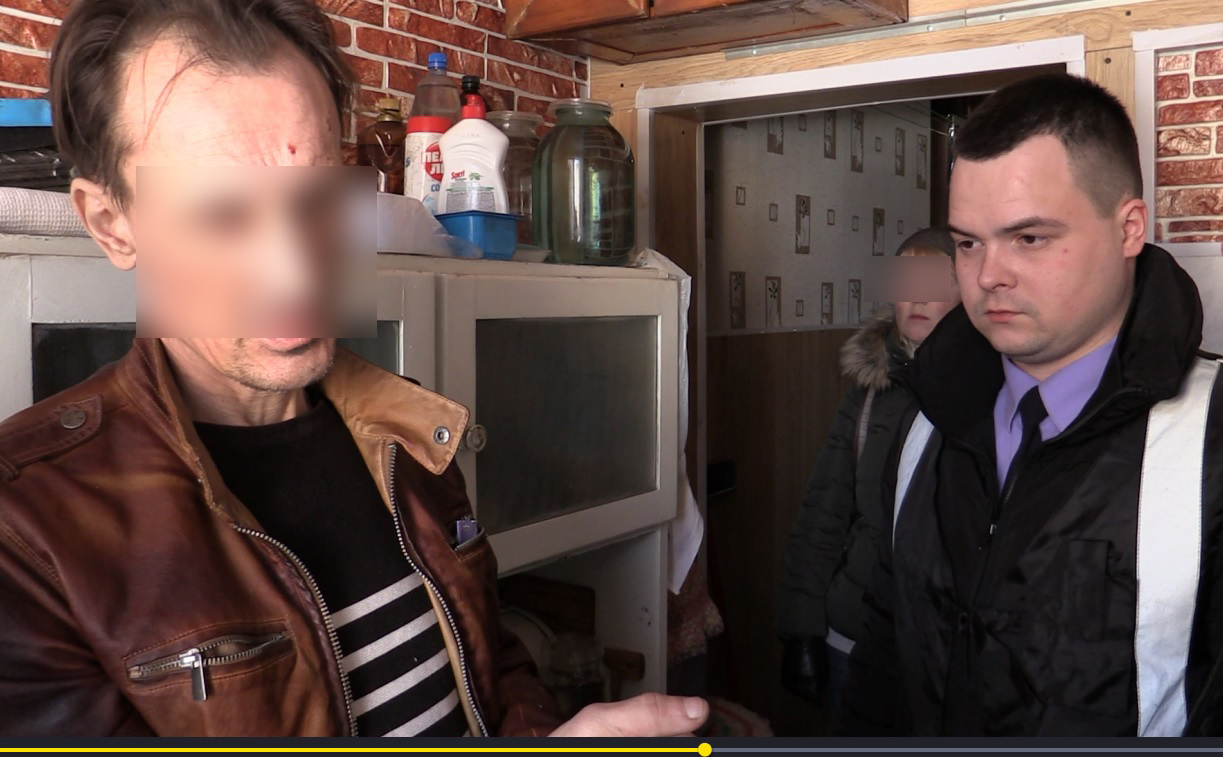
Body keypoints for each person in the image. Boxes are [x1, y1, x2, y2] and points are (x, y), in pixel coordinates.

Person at [0, 0, 708, 738]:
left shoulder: (407, 432)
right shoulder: (27, 532)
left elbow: (492, 666)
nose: (297, 275)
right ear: (112, 224)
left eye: (317, 200)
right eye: (224, 218)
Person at [837, 72, 1223, 736]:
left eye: (1030, 238)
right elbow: (887, 646)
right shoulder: (925, 416)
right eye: (967, 243)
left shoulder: (1210, 438)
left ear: (1129, 228)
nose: (988, 276)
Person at [778, 228, 959, 718]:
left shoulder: (993, 391)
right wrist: (801, 628)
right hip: (853, 631)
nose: (917, 297)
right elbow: (824, 512)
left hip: (943, 644)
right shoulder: (869, 394)